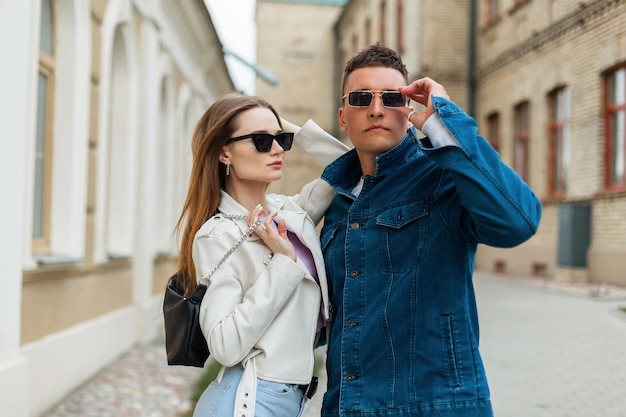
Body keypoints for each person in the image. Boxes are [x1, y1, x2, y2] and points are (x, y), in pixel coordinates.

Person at [318, 44, 542, 416]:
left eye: (391, 98)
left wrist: (444, 120)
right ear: (343, 117)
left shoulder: (443, 177)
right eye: (361, 98)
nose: (376, 109)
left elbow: (517, 222)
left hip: (434, 405)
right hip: (349, 406)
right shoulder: (336, 202)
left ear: (408, 110)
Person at [174, 94, 349, 417]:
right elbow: (225, 344)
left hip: (287, 400)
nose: (278, 149)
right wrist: (283, 262)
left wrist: (289, 129)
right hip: (248, 401)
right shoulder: (217, 235)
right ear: (224, 152)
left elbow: (352, 166)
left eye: (280, 140)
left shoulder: (291, 212)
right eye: (261, 140)